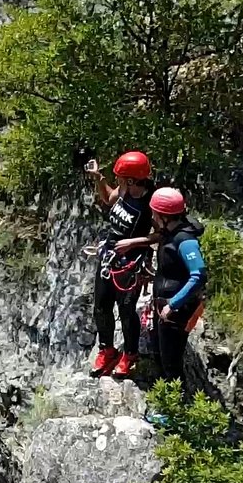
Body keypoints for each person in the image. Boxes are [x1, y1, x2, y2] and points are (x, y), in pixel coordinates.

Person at [85, 151, 156, 378]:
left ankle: (130, 354)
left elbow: (163, 234)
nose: (118, 182)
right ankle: (107, 349)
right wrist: (99, 178)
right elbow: (108, 199)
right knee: (101, 304)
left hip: (131, 262)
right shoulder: (124, 190)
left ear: (132, 180)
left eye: (120, 178)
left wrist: (133, 242)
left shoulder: (150, 202)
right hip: (111, 254)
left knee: (126, 310)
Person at [149, 187, 206, 383]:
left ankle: (174, 410)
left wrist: (173, 304)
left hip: (175, 309)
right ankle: (166, 405)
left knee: (171, 362)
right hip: (164, 304)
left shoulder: (185, 240)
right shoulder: (170, 234)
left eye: (155, 212)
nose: (153, 216)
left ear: (164, 215)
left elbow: (198, 275)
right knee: (160, 354)